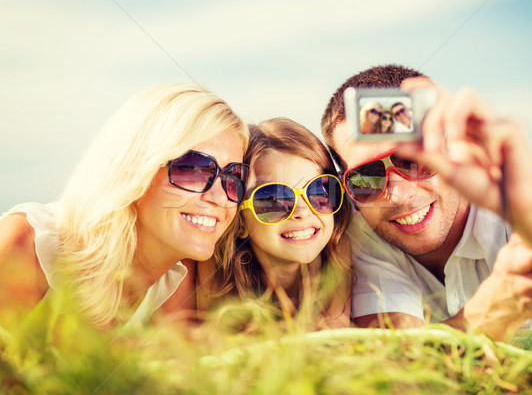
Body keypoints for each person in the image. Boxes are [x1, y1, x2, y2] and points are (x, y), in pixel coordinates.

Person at [321, 64, 532, 341]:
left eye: (413, 161)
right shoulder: (362, 233)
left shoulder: (519, 189)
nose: (400, 195)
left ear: (449, 146)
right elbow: (401, 351)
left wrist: (525, 205)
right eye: (366, 179)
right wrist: (488, 314)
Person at [0, 83, 249, 328]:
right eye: (194, 169)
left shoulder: (177, 274)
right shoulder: (28, 245)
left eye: (233, 176)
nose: (218, 197)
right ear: (136, 169)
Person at [219, 118, 352, 328]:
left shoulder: (348, 257)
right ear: (240, 223)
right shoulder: (217, 278)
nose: (302, 211)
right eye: (273, 199)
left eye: (319, 191)